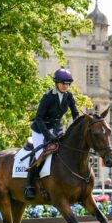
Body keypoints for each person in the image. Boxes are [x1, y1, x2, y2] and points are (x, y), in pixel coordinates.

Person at [24, 68, 80, 200]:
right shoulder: (48, 97)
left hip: (56, 129)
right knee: (40, 155)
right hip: (40, 130)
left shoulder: (69, 96)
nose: (66, 86)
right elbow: (39, 118)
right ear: (56, 83)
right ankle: (29, 185)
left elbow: (75, 114)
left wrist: (78, 126)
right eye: (63, 83)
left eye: (68, 84)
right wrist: (48, 137)